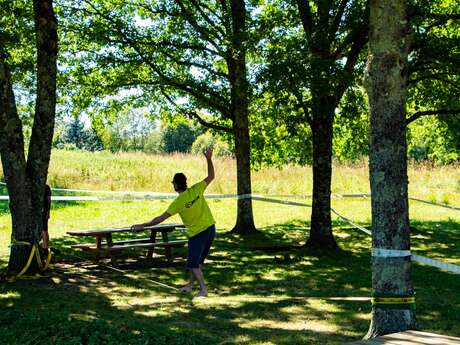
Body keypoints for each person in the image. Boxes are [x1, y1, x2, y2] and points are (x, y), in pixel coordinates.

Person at [131, 148, 216, 297]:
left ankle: (203, 290)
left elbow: (159, 219)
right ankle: (190, 286)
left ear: (176, 185)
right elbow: (211, 176)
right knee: (197, 262)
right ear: (185, 183)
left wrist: (142, 225)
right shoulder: (197, 189)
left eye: (173, 184)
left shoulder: (178, 202)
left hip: (198, 233)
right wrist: (208, 159)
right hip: (211, 228)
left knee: (192, 263)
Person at [41, 184, 52, 250]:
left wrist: (48, 212)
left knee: (44, 230)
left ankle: (45, 248)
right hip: (37, 212)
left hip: (43, 211)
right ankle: (44, 246)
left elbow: (49, 200)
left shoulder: (46, 187)